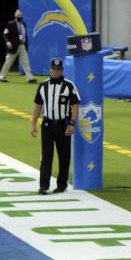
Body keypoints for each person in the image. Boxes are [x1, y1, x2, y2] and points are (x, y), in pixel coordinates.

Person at [31, 58, 80, 194]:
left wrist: (72, 123)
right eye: (54, 69)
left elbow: (75, 105)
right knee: (46, 155)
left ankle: (62, 184)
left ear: (62, 70)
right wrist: (33, 124)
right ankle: (43, 185)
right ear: (50, 69)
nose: (56, 72)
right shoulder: (43, 86)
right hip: (47, 125)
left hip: (63, 125)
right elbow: (38, 105)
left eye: (59, 69)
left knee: (64, 156)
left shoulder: (69, 86)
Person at [0, 9, 36, 83]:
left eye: (21, 15)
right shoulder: (10, 24)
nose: (20, 16)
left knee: (26, 62)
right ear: (15, 15)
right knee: (8, 62)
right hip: (13, 46)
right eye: (18, 15)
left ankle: (30, 78)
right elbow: (5, 34)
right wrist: (8, 42)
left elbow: (24, 35)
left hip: (22, 45)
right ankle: (2, 77)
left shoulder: (24, 24)